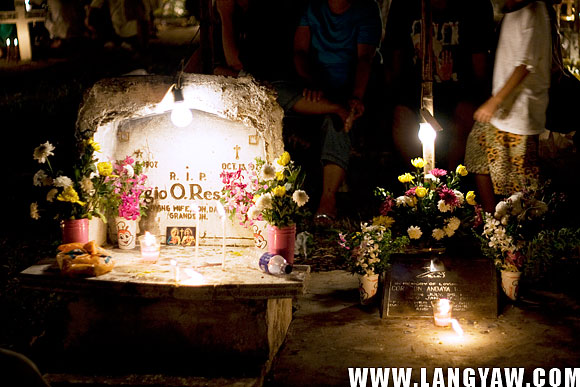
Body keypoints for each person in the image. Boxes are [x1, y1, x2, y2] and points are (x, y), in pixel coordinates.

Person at [283, 0, 383, 225]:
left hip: (348, 88)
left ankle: (328, 199)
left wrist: (356, 97)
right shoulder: (312, 7)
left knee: (338, 121)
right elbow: (300, 51)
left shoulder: (366, 8)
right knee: (279, 93)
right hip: (316, 87)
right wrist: (311, 82)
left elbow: (364, 58)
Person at [382, 0, 495, 171]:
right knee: (402, 117)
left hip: (459, 90)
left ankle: (449, 183)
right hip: (414, 91)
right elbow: (395, 58)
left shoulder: (475, 6)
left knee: (465, 116)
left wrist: (484, 100)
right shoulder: (403, 6)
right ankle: (421, 181)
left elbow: (479, 64)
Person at [465, 0, 553, 213]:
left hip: (520, 113)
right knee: (477, 155)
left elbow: (524, 66)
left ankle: (512, 234)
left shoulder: (534, 12)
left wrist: (495, 102)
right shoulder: (512, 13)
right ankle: (492, 223)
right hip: (503, 111)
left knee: (518, 187)